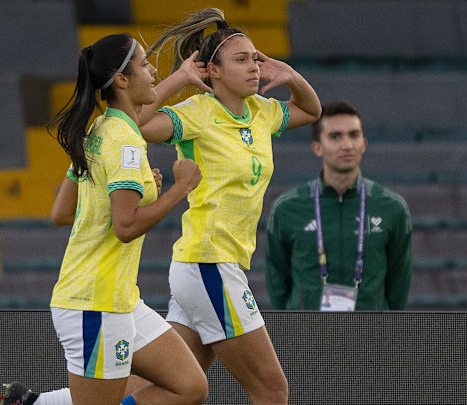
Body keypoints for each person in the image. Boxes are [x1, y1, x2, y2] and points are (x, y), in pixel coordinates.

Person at [1, 33, 211, 405]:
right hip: (94, 303)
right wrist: (181, 188)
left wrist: (137, 194)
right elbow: (125, 226)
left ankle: (32, 404)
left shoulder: (99, 131)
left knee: (189, 386)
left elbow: (62, 212)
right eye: (145, 65)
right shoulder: (125, 142)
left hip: (120, 299)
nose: (151, 71)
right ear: (122, 79)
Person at [126, 8, 322, 404]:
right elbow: (137, 124)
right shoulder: (197, 114)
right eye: (241, 60)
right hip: (208, 264)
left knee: (171, 389)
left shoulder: (261, 113)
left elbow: (311, 111)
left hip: (207, 268)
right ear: (211, 71)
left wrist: (292, 77)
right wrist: (181, 77)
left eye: (255, 58)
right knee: (272, 390)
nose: (253, 67)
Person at [265, 101, 412, 311]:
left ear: (364, 143)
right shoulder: (287, 208)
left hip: (371, 337)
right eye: (335, 136)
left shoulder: (391, 207)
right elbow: (277, 284)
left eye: (354, 135)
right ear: (317, 147)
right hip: (308, 337)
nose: (347, 145)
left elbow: (398, 286)